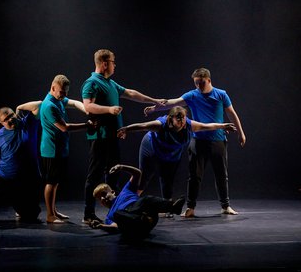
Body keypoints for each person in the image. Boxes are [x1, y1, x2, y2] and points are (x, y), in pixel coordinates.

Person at [144, 67, 246, 217]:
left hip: (218, 140)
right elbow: (172, 103)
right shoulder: (192, 95)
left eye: (201, 83)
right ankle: (190, 207)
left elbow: (232, 113)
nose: (198, 86)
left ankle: (226, 206)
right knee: (194, 176)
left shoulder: (221, 94)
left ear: (209, 80)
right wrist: (154, 108)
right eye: (196, 83)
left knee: (221, 175)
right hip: (198, 141)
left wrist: (241, 133)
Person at [81, 48, 166, 224]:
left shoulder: (110, 83)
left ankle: (116, 211)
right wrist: (109, 109)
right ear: (104, 63)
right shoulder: (92, 83)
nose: (114, 65)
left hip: (112, 137)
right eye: (113, 62)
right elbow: (88, 106)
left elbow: (131, 93)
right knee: (95, 175)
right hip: (100, 137)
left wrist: (154, 101)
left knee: (113, 174)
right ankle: (88, 214)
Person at [117, 106, 237, 217]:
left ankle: (167, 208)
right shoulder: (160, 125)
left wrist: (223, 126)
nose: (181, 121)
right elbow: (143, 126)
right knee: (145, 177)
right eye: (178, 118)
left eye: (183, 118)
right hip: (152, 148)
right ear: (170, 118)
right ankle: (129, 203)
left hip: (171, 154)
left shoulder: (190, 126)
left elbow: (207, 126)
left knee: (167, 179)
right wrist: (126, 129)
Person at [40, 74, 95, 224]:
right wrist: (87, 126)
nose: (64, 95)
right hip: (51, 150)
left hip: (59, 149)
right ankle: (50, 216)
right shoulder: (49, 105)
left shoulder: (58, 99)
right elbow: (65, 127)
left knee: (55, 181)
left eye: (66, 92)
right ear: (53, 88)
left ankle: (54, 211)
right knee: (51, 182)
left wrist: (87, 109)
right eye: (62, 92)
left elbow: (74, 103)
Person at [89, 164, 185, 239]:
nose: (102, 198)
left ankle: (173, 207)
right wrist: (101, 226)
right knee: (117, 214)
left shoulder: (126, 191)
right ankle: (140, 219)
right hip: (137, 227)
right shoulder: (109, 217)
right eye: (99, 198)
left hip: (148, 216)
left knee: (145, 200)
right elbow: (116, 227)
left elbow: (137, 173)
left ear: (113, 192)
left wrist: (122, 167)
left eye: (103, 194)